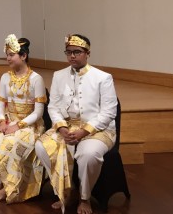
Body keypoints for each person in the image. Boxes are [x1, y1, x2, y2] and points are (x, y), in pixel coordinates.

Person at [35, 34, 117, 214]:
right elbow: (53, 106)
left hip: (98, 130)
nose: (72, 56)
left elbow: (109, 112)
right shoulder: (59, 75)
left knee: (87, 154)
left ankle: (84, 197)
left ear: (87, 53)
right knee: (42, 147)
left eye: (77, 52)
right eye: (69, 52)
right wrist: (62, 128)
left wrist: (84, 132)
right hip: (67, 127)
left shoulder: (103, 77)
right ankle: (65, 189)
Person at [0, 35, 46, 203]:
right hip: (9, 122)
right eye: (7, 54)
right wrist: (2, 121)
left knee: (9, 143)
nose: (8, 58)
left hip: (29, 125)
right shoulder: (5, 77)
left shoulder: (36, 79)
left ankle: (8, 187)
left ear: (23, 56)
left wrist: (18, 126)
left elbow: (38, 112)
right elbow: (0, 105)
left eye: (11, 54)